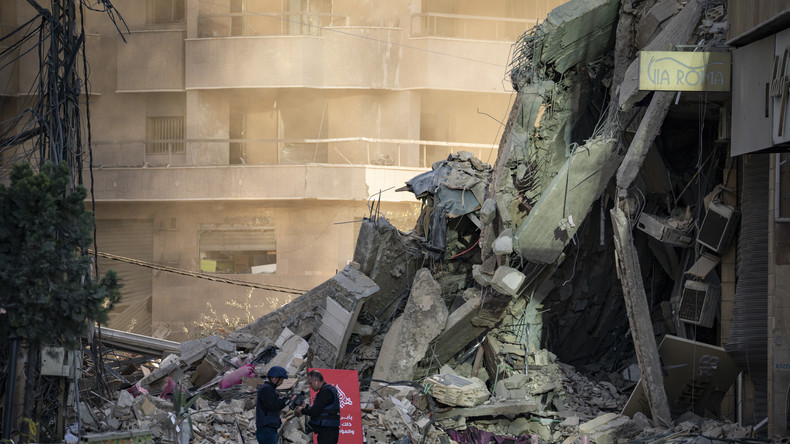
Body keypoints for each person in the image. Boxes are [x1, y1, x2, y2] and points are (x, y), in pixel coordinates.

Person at [294, 370, 339, 444]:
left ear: (316, 380)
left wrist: (302, 410)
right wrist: (306, 406)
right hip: (329, 430)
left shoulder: (325, 392)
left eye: (310, 383)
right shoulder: (329, 390)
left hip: (327, 432)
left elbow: (314, 412)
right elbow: (320, 409)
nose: (310, 385)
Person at [256, 366, 294, 444]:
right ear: (274, 378)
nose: (282, 382)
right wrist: (287, 400)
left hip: (268, 428)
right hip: (267, 429)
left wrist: (285, 399)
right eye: (281, 379)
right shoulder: (267, 389)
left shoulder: (269, 389)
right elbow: (273, 406)